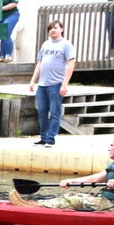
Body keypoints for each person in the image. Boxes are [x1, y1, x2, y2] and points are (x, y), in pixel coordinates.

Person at [9, 140, 114, 211]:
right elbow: (94, 178)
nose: (109, 149)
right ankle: (32, 204)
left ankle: (32, 208)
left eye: (112, 146)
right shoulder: (112, 164)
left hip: (111, 205)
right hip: (105, 200)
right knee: (72, 195)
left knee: (76, 201)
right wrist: (72, 181)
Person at [29, 20, 76, 148]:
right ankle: (43, 137)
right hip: (42, 84)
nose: (52, 30)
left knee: (55, 112)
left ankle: (51, 138)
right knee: (42, 112)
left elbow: (71, 64)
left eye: (55, 28)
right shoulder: (45, 44)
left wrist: (64, 84)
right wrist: (33, 81)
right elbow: (40, 63)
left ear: (61, 29)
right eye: (50, 28)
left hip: (56, 83)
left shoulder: (66, 44)